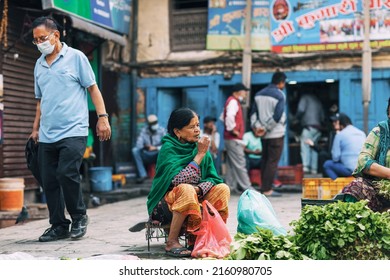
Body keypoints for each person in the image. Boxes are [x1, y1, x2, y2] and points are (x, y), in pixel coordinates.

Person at [29, 16, 111, 242]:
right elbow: (40, 100)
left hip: (74, 130)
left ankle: (79, 216)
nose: (39, 44)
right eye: (35, 41)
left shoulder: (77, 58)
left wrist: (102, 117)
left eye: (42, 38)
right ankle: (58, 225)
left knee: (66, 172)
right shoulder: (39, 64)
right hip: (47, 133)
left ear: (56, 35)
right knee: (49, 180)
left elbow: (93, 89)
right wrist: (35, 129)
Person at [146, 108, 230, 257]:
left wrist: (198, 190)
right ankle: (172, 241)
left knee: (223, 188)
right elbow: (177, 181)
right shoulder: (169, 149)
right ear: (178, 131)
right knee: (185, 189)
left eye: (198, 125)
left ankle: (206, 238)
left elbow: (212, 178)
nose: (197, 130)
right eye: (192, 127)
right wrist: (199, 155)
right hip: (165, 208)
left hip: (195, 198)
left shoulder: (199, 147)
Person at [341, 98, 390, 212]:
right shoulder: (380, 132)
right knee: (355, 187)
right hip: (379, 190)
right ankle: (354, 224)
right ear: (389, 112)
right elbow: (363, 161)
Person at [250, 71, 287, 197]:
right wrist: (266, 128)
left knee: (265, 160)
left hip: (263, 135)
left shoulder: (258, 94)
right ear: (281, 82)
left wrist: (257, 127)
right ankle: (267, 190)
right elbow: (277, 116)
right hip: (275, 134)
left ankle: (264, 187)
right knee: (272, 162)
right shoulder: (280, 95)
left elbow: (253, 114)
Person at [222, 83, 254, 194]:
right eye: (244, 91)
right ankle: (248, 188)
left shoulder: (231, 101)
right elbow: (229, 116)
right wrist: (232, 129)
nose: (245, 94)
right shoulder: (233, 102)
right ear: (238, 92)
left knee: (231, 164)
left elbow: (222, 117)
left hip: (230, 138)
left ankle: (230, 187)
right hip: (233, 138)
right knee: (240, 162)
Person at [322, 113, 366, 180]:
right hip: (362, 170)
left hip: (349, 170)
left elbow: (335, 158)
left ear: (340, 122)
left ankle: (339, 186)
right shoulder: (362, 133)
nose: (334, 124)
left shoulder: (340, 135)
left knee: (327, 164)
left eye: (335, 122)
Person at [296, 93, 325, 174]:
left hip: (309, 128)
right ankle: (314, 169)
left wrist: (296, 119)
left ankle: (306, 168)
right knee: (314, 147)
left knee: (305, 145)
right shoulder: (318, 101)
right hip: (318, 129)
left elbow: (301, 110)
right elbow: (322, 118)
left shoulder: (304, 97)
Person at [132, 114, 166, 183]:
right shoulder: (144, 131)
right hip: (147, 154)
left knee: (166, 151)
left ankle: (162, 175)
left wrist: (156, 148)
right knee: (135, 150)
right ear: (149, 124)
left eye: (155, 122)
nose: (154, 124)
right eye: (152, 123)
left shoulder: (162, 131)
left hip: (157, 154)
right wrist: (146, 146)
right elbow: (138, 145)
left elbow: (167, 144)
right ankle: (143, 175)